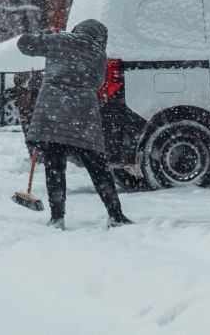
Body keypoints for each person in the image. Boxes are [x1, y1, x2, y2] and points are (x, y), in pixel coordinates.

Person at [17, 19, 133, 230]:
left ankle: (57, 218)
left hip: (52, 116)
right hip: (84, 117)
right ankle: (115, 215)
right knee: (99, 169)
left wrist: (45, 33)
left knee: (55, 168)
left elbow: (24, 44)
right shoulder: (99, 56)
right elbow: (98, 84)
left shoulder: (60, 40)